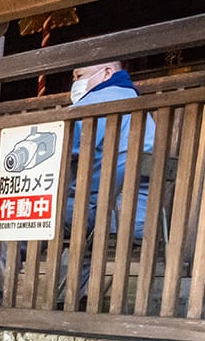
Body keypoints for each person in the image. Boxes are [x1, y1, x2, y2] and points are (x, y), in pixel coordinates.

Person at [63, 60, 154, 306]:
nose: (75, 83)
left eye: (79, 75)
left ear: (106, 73)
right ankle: (81, 296)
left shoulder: (99, 101)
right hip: (143, 215)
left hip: (103, 212)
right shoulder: (139, 104)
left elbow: (61, 147)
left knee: (21, 217)